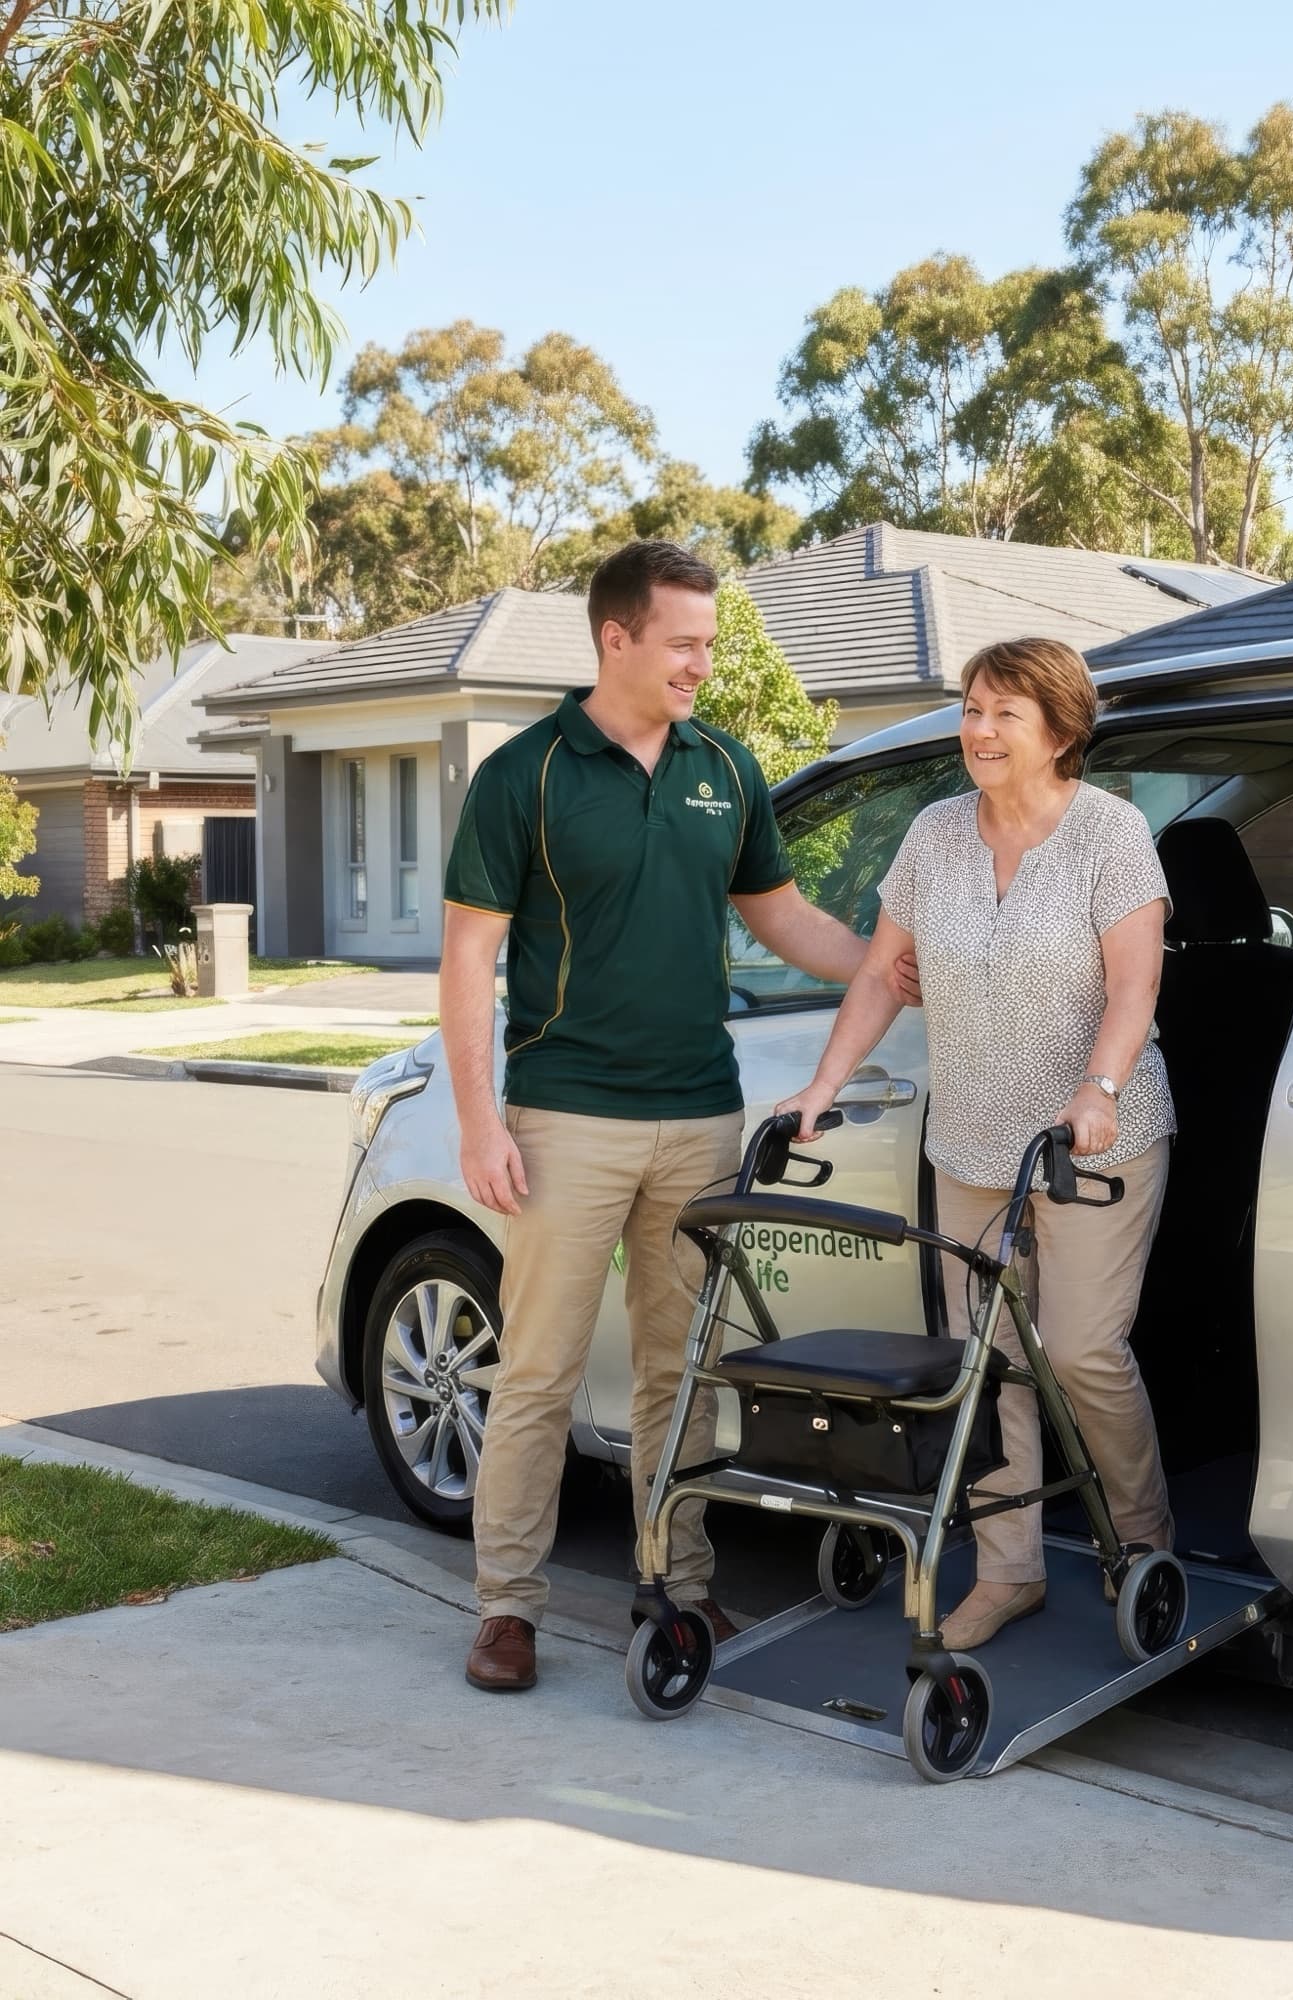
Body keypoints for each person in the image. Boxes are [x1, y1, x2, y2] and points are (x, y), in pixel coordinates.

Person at [441, 539, 917, 1693]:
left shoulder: (724, 766)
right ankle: (508, 1606)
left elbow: (784, 916)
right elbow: (466, 960)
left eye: (708, 640)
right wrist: (478, 1121)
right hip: (567, 1115)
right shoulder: (527, 775)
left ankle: (678, 1580)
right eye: (684, 642)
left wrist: (893, 965)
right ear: (616, 638)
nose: (704, 661)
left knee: (681, 1366)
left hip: (700, 1111)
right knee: (541, 1370)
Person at [777, 636, 1176, 1651]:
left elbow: (1134, 986)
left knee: (1082, 1351)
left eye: (1003, 711)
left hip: (1093, 1141)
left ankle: (1142, 1537)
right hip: (968, 1144)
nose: (978, 729)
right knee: (988, 1362)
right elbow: (879, 973)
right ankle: (1009, 1570)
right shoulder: (935, 833)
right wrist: (824, 1084)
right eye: (970, 707)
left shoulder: (1110, 834)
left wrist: (1096, 1089)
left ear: (1061, 729)